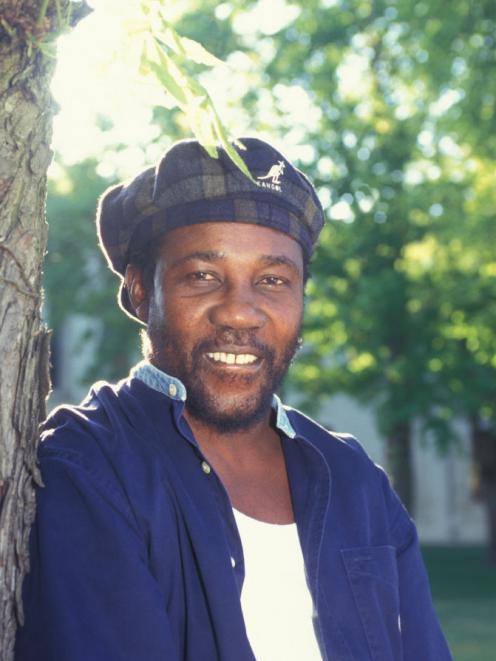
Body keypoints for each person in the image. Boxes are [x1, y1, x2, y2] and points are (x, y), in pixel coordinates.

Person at [15, 137, 452, 661]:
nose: (240, 313)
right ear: (138, 291)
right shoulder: (88, 466)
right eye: (203, 277)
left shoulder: (355, 481)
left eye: (272, 280)